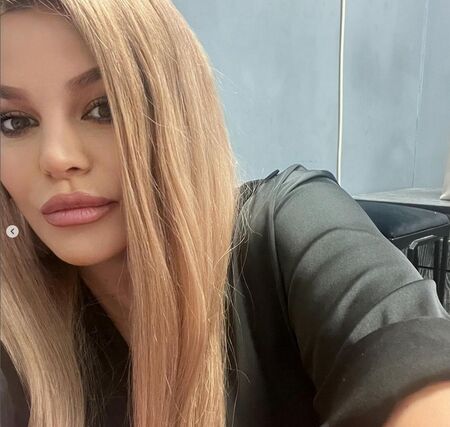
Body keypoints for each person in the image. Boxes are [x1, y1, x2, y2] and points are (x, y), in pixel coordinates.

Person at [0, 1, 449, 426]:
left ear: (177, 114)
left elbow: (413, 360)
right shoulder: (17, 330)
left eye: (104, 108)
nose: (57, 158)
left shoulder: (285, 224)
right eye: (15, 122)